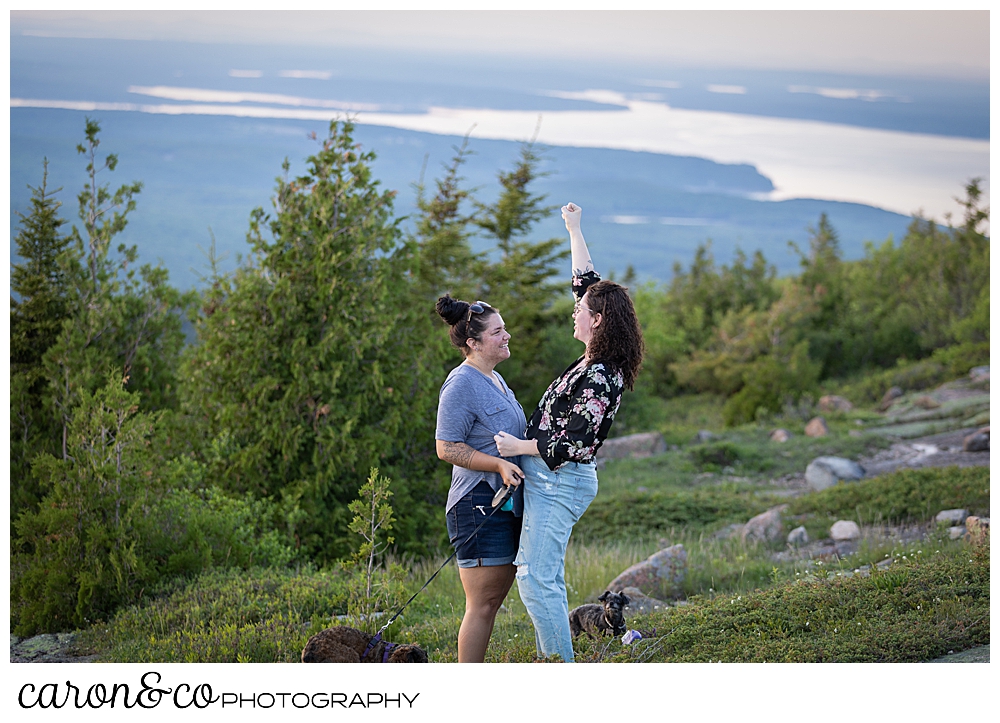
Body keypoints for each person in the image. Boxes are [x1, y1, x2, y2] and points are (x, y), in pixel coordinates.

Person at [494, 202, 644, 662]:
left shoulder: (601, 374)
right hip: (549, 480)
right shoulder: (592, 360)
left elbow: (578, 442)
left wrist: (519, 446)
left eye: (580, 310)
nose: (573, 312)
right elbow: (586, 282)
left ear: (597, 320)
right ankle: (555, 660)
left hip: (562, 482)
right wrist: (575, 229)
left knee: (536, 577)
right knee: (540, 575)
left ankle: (558, 666)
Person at [434, 295, 527, 663]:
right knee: (483, 605)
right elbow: (446, 447)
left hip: (504, 505)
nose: (507, 336)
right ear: (473, 343)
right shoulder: (460, 384)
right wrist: (497, 465)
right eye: (498, 332)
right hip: (476, 506)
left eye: (504, 328)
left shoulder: (496, 379)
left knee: (494, 601)